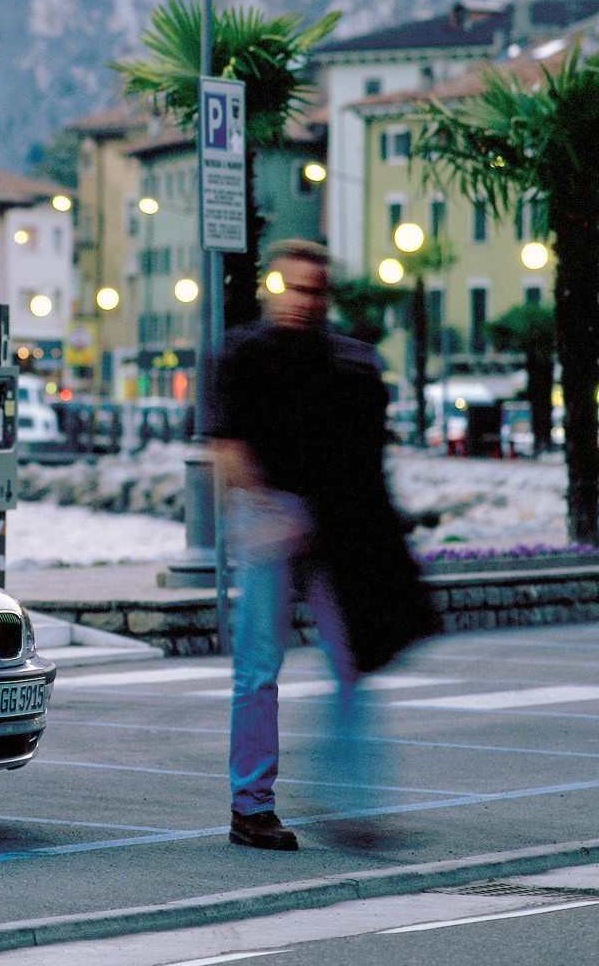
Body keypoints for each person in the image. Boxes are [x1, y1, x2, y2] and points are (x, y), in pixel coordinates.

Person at [204, 238, 436, 852]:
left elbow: (365, 459)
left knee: (351, 665)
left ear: (326, 295)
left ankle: (350, 805)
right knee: (258, 670)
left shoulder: (349, 362)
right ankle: (251, 808)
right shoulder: (244, 353)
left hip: (333, 520)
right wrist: (261, 509)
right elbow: (224, 446)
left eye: (314, 290)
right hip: (270, 512)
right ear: (273, 288)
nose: (303, 300)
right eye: (292, 288)